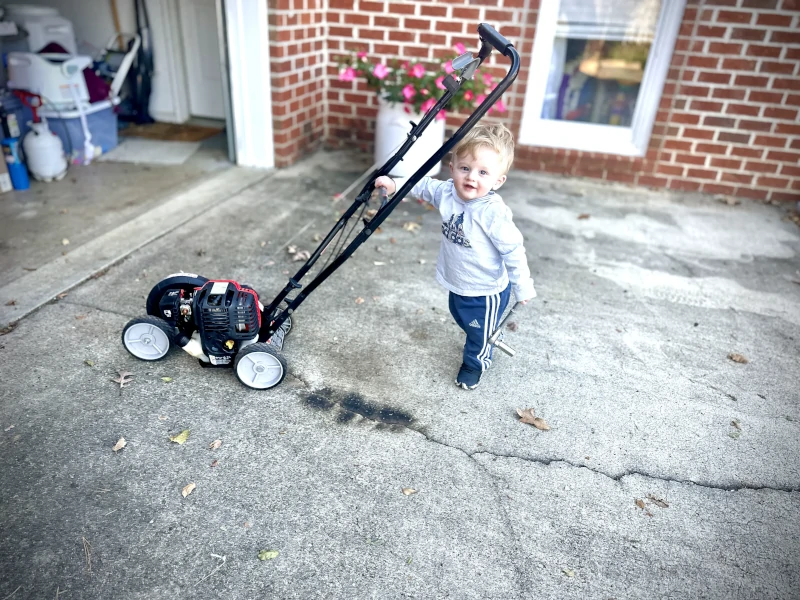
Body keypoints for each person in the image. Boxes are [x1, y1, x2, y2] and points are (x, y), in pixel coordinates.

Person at [375, 123, 536, 390]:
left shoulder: (492, 213)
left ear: (498, 180)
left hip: (486, 290)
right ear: (452, 169)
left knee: (479, 332)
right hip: (458, 280)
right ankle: (478, 338)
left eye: (483, 172)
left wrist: (523, 285)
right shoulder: (448, 192)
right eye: (465, 168)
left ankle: (476, 362)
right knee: (460, 316)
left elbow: (513, 250)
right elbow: (423, 186)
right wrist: (395, 184)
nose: (472, 177)